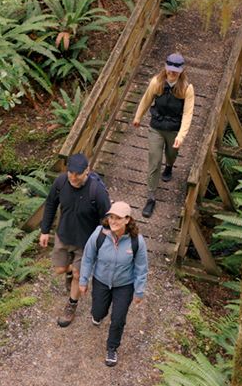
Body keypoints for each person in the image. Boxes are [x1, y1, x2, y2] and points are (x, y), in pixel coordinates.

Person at [39, 152, 110, 327]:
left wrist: (103, 244)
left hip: (86, 242)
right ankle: (70, 271)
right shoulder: (61, 182)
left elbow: (107, 220)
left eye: (77, 174)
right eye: (70, 173)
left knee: (79, 274)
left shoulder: (97, 191)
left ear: (87, 170)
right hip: (64, 235)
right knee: (59, 269)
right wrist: (45, 230)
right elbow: (50, 204)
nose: (73, 177)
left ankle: (71, 305)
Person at [79, 201, 148, 367]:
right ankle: (98, 316)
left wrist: (139, 291)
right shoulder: (99, 235)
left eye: (118, 218)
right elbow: (88, 258)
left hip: (124, 285)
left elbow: (141, 267)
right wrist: (83, 280)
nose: (113, 221)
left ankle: (112, 348)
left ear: (127, 220)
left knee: (118, 318)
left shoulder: (136, 241)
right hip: (101, 281)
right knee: (98, 311)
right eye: (111, 217)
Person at [131, 52, 195, 218]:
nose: (172, 73)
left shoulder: (187, 89)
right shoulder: (157, 82)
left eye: (176, 70)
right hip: (157, 127)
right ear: (166, 68)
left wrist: (181, 136)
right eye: (170, 69)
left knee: (171, 154)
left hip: (174, 129)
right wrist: (138, 117)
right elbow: (146, 100)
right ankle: (151, 197)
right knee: (154, 159)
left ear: (181, 70)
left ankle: (169, 166)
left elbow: (188, 114)